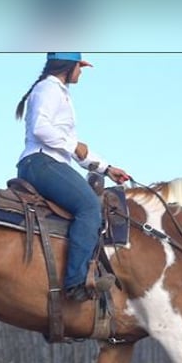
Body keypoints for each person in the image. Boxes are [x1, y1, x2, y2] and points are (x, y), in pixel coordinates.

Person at [15, 52, 130, 302]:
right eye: (80, 66)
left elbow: (74, 149)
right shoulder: (49, 89)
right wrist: (74, 144)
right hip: (41, 161)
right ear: (69, 66)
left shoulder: (57, 91)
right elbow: (40, 128)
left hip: (46, 161)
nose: (81, 72)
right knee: (89, 207)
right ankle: (75, 283)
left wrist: (107, 168)